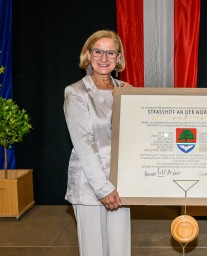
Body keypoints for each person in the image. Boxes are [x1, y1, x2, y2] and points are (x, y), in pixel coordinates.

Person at [63, 30, 132, 256]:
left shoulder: (126, 91)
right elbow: (84, 143)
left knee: (119, 249)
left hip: (122, 184)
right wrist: (103, 188)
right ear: (88, 55)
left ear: (118, 57)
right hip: (90, 185)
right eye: (98, 51)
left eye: (110, 52)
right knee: (94, 251)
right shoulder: (76, 92)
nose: (104, 58)